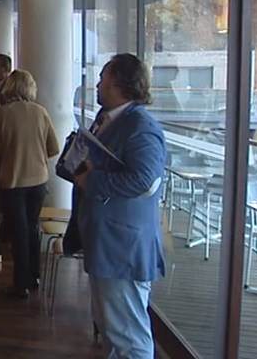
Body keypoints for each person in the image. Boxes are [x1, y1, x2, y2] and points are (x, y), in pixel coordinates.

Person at [72, 53, 166, 359]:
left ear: (118, 84)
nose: (98, 85)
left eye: (103, 79)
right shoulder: (110, 118)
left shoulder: (140, 126)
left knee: (129, 336)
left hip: (122, 247)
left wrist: (92, 180)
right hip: (107, 242)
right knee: (111, 328)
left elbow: (144, 179)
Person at [0, 69, 60, 298]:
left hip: (11, 180)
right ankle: (34, 275)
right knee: (31, 227)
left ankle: (21, 284)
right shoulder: (40, 112)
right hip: (38, 180)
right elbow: (54, 148)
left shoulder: (1, 114)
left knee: (18, 232)